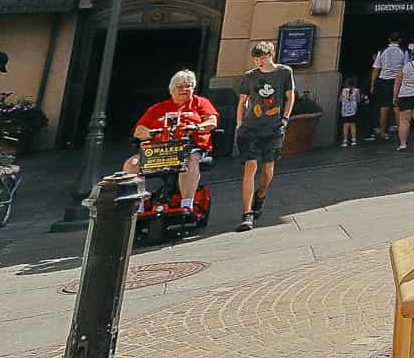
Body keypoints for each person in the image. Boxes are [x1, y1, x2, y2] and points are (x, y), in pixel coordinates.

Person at [122, 70, 218, 215]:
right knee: (132, 164)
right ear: (171, 89)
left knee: (189, 160)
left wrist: (197, 127)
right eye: (180, 87)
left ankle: (187, 204)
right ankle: (138, 206)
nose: (185, 90)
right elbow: (138, 131)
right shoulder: (158, 108)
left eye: (189, 86)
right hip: (161, 149)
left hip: (190, 147)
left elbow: (212, 122)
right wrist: (150, 133)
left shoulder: (200, 103)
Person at [235, 40, 295, 231]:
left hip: (273, 127)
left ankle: (259, 197)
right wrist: (239, 123)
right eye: (256, 59)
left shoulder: (284, 72)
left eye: (262, 58)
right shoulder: (249, 76)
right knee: (250, 167)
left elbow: (290, 96)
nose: (259, 62)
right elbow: (242, 101)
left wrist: (285, 118)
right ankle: (247, 214)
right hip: (251, 127)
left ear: (271, 55)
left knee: (268, 169)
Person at [369, 31, 405, 142]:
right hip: (397, 81)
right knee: (397, 108)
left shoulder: (382, 51)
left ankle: (382, 132)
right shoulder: (403, 51)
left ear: (389, 39)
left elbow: (376, 69)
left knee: (383, 108)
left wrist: (372, 84)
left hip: (384, 80)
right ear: (399, 40)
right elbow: (405, 68)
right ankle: (400, 133)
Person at [339, 76, 361, 147]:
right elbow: (358, 100)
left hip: (344, 111)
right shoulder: (357, 90)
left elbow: (340, 100)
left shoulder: (343, 90)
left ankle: (345, 141)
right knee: (353, 125)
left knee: (345, 125)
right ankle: (353, 140)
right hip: (353, 111)